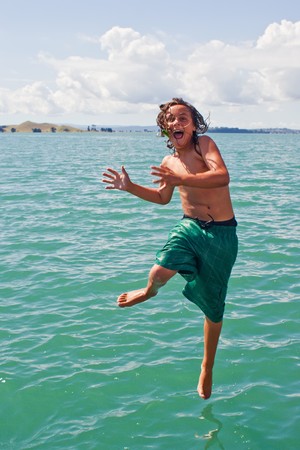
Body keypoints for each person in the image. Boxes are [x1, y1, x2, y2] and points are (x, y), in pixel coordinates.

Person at [102, 98, 238, 399]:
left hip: (222, 234)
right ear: (164, 128)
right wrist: (131, 186)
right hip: (189, 227)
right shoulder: (168, 163)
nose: (176, 123)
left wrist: (181, 179)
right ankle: (148, 291)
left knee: (213, 308)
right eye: (170, 119)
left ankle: (207, 366)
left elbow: (222, 176)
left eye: (183, 118)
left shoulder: (205, 145)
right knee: (160, 270)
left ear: (193, 124)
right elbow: (163, 198)